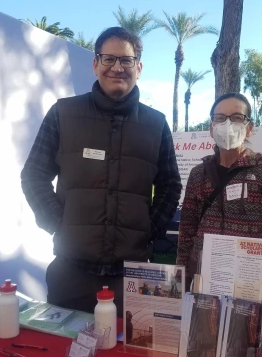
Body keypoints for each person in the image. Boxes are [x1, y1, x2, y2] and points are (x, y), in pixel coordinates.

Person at [21, 27, 182, 316]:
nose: (117, 68)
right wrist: (58, 222)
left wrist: (149, 229)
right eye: (108, 59)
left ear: (139, 68)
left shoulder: (156, 125)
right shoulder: (63, 113)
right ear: (95, 64)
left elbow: (170, 185)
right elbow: (33, 174)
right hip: (71, 275)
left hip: (130, 280)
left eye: (126, 60)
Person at [177, 92, 262, 332]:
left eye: (237, 117)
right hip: (205, 283)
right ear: (211, 128)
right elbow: (186, 232)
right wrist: (182, 283)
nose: (227, 125)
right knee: (203, 350)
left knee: (247, 353)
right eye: (220, 118)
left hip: (250, 285)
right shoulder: (199, 174)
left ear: (249, 128)